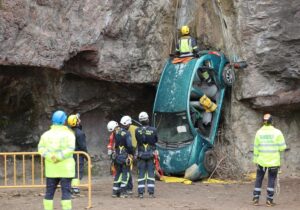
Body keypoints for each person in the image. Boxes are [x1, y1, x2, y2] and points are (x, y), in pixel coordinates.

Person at [38, 110, 75, 210]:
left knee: (49, 193)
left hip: (51, 170)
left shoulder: (45, 135)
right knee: (66, 193)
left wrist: (51, 157)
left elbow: (41, 149)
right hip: (66, 170)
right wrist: (59, 157)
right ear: (64, 121)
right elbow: (70, 149)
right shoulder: (69, 134)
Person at [252, 113, 286, 207]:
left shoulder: (259, 132)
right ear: (271, 121)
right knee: (271, 179)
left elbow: (256, 148)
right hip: (273, 162)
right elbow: (282, 147)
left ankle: (255, 199)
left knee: (259, 179)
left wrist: (255, 160)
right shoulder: (277, 132)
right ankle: (269, 201)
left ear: (263, 121)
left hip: (261, 161)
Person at [107, 120, 134, 198]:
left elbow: (114, 146)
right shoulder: (126, 133)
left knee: (118, 174)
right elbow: (129, 145)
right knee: (126, 174)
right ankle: (123, 192)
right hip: (125, 157)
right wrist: (131, 153)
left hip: (117, 157)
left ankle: (115, 192)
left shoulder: (114, 134)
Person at [135, 112, 158, 198]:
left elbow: (138, 140)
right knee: (151, 173)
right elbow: (156, 140)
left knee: (141, 173)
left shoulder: (137, 130)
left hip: (141, 154)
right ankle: (151, 193)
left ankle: (140, 193)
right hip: (151, 154)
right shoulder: (154, 130)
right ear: (147, 119)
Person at [67, 114, 88, 196]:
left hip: (69, 155)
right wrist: (87, 156)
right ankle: (75, 188)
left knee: (72, 171)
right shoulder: (80, 133)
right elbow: (83, 146)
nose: (80, 120)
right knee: (78, 172)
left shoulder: (68, 132)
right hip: (78, 155)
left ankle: (71, 187)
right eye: (78, 119)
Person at [120, 115, 137, 195]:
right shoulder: (135, 128)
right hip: (129, 151)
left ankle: (126, 187)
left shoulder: (119, 131)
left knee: (126, 170)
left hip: (123, 152)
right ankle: (128, 188)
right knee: (127, 170)